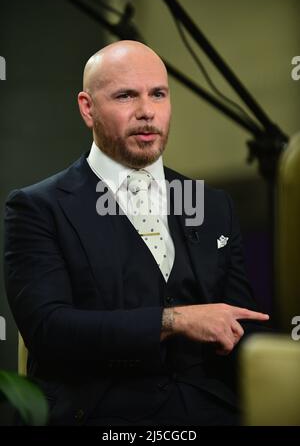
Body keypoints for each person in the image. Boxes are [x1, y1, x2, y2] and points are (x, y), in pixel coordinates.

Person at [4, 40, 270, 426]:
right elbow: (49, 330)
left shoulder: (212, 205)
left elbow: (241, 321)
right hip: (99, 414)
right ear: (87, 107)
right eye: (126, 95)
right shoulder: (38, 208)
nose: (147, 112)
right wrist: (173, 321)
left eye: (158, 94)